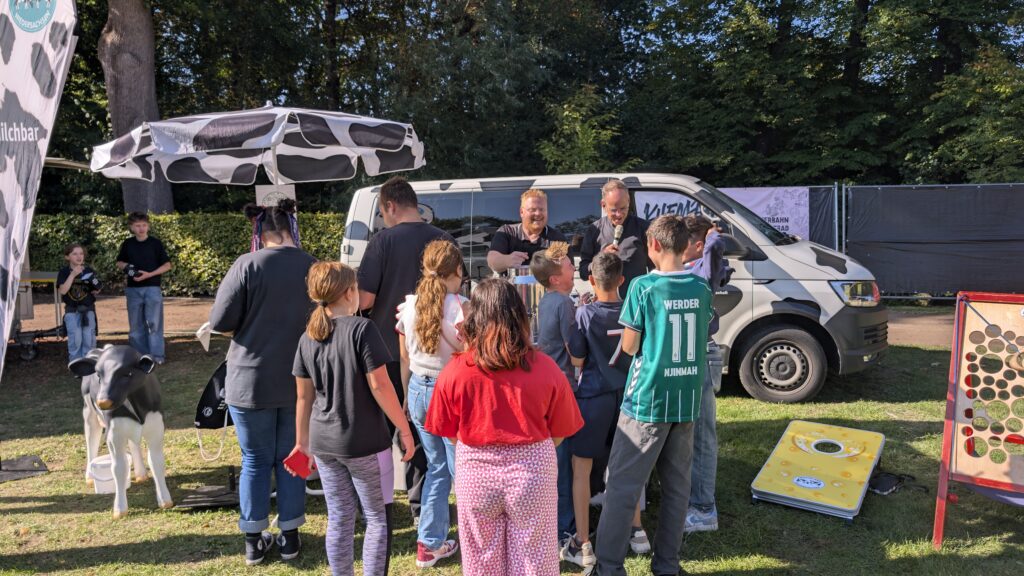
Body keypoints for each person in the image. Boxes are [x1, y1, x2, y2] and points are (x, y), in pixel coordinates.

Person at [424, 279, 584, 576]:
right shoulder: (547, 368)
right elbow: (560, 432)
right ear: (520, 317)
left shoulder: (455, 372)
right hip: (532, 472)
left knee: (481, 562)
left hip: (475, 473)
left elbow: (448, 432)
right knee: (535, 562)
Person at [593, 215, 713, 576]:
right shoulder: (701, 287)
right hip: (686, 400)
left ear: (655, 246)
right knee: (678, 489)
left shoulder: (643, 287)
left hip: (647, 401)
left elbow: (629, 346)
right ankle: (667, 566)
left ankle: (609, 567)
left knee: (622, 489)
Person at [289, 261, 416, 576]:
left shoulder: (308, 337)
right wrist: (404, 428)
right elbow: (380, 385)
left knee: (340, 516)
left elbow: (303, 397)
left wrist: (301, 442)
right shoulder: (363, 329)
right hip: (363, 442)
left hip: (323, 442)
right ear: (349, 292)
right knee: (375, 518)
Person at [209, 199, 317, 565]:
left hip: (249, 378)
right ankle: (290, 536)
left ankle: (253, 540)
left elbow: (220, 321)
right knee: (292, 456)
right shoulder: (312, 265)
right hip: (299, 380)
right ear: (291, 230)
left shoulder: (245, 265)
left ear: (260, 233)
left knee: (254, 460)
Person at [357, 175, 458, 523]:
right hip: (437, 359)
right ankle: (421, 508)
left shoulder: (382, 241)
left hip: (387, 350)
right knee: (428, 438)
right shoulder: (444, 238)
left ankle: (378, 505)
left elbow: (365, 299)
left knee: (386, 431)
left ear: (390, 205)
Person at [560, 253, 649, 570]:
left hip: (594, 397)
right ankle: (637, 529)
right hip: (627, 395)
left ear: (592, 280)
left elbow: (578, 360)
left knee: (581, 468)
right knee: (628, 467)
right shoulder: (634, 308)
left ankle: (583, 541)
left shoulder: (584, 314)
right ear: (622, 279)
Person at [395, 240, 466, 568]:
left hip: (420, 390)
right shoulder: (462, 306)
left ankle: (429, 543)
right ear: (459, 271)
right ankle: (473, 538)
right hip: (451, 392)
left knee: (437, 469)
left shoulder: (408, 306)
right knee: (462, 470)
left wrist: (407, 395)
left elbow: (405, 356)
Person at [681, 215, 731, 534]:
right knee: (688, 428)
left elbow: (715, 249)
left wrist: (712, 234)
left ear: (697, 245)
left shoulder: (703, 268)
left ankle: (703, 508)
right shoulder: (686, 269)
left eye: (685, 242)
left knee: (701, 432)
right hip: (688, 353)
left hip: (702, 352)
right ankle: (689, 495)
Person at [529, 240, 579, 544]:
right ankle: (563, 527)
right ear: (555, 278)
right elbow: (574, 349)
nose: (573, 266)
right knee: (563, 461)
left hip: (548, 386)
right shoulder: (563, 303)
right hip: (565, 388)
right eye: (568, 265)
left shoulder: (548, 300)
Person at [578, 179, 649, 297]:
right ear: (603, 205)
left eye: (623, 208)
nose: (619, 214)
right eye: (614, 210)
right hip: (605, 306)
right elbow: (583, 272)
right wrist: (601, 258)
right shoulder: (594, 230)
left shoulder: (643, 228)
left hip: (636, 302)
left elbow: (655, 268)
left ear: (629, 202)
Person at [116, 212, 171, 363]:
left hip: (152, 288)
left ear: (148, 226)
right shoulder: (128, 244)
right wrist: (128, 267)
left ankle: (157, 356)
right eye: (138, 226)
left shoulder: (155, 243)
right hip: (133, 289)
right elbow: (120, 262)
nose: (141, 229)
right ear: (131, 227)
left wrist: (150, 274)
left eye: (144, 225)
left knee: (154, 323)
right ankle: (139, 357)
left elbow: (167, 265)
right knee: (135, 326)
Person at [487, 188, 567, 274]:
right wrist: (508, 260)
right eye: (532, 209)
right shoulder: (507, 232)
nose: (538, 213)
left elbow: (565, 271)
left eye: (542, 209)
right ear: (521, 212)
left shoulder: (557, 239)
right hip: (511, 287)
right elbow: (492, 261)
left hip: (544, 287)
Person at [57, 243, 101, 362]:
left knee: (88, 338)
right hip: (72, 310)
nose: (79, 256)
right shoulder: (64, 272)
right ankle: (76, 364)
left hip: (88, 310)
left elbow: (97, 287)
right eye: (74, 254)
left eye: (81, 253)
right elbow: (63, 290)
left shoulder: (89, 271)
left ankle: (90, 365)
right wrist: (73, 274)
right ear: (67, 257)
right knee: (75, 339)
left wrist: (96, 289)